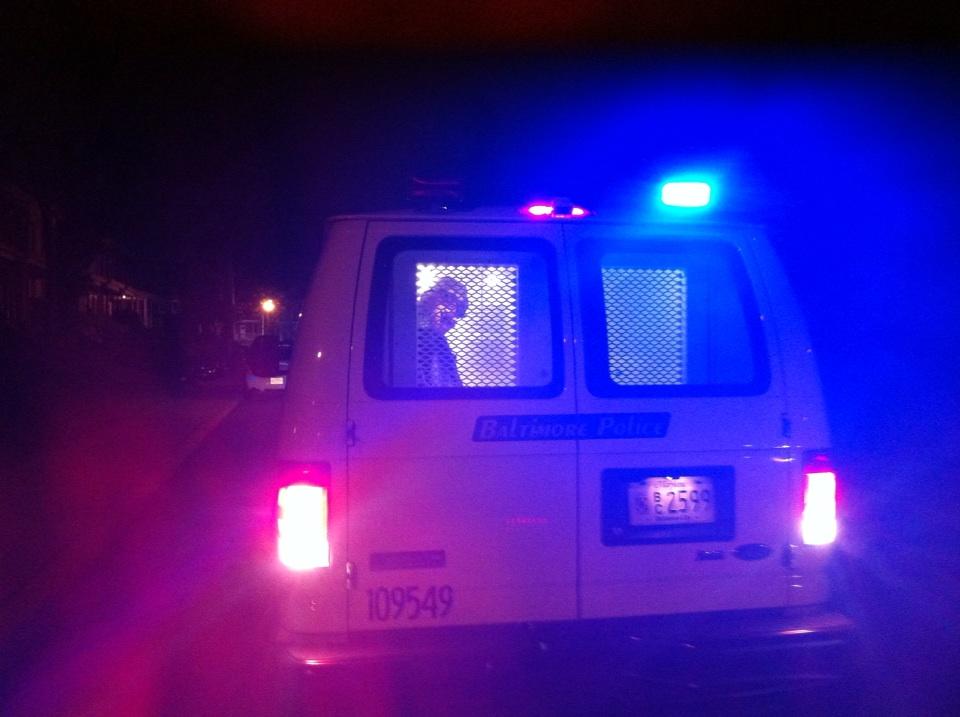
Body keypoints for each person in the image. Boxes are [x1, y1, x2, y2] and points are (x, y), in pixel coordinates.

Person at [416, 277, 468, 387]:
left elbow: (452, 380)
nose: (451, 311)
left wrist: (438, 329)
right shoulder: (411, 322)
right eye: (446, 298)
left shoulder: (439, 342)